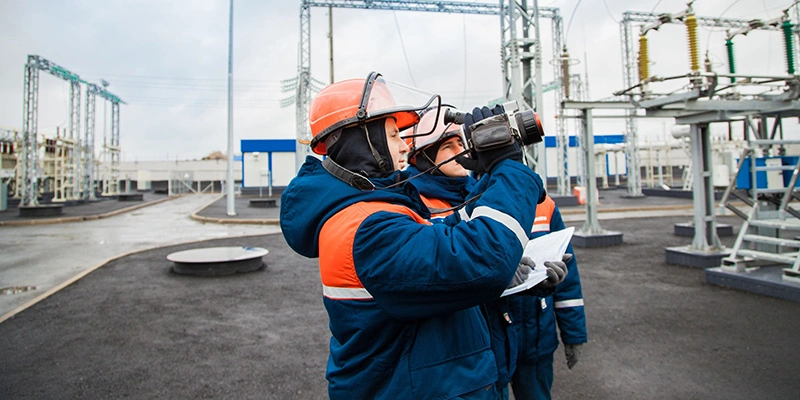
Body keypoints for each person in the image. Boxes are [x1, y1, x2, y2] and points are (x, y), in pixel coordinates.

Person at [280, 72, 549, 399]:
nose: (404, 144)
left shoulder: (375, 212)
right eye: (393, 134)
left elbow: (448, 241)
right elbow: (482, 260)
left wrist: (517, 279)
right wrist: (508, 167)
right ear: (361, 140)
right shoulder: (365, 229)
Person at [403, 106, 572, 399]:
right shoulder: (411, 206)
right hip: (462, 354)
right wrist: (499, 276)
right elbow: (453, 267)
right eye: (448, 146)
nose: (461, 150)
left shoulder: (487, 190)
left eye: (462, 142)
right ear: (422, 156)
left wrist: (532, 283)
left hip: (509, 336)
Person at [509, 195, 587, 400]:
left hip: (537, 340)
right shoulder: (472, 199)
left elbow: (567, 282)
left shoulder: (545, 206)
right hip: (493, 342)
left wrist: (574, 334)